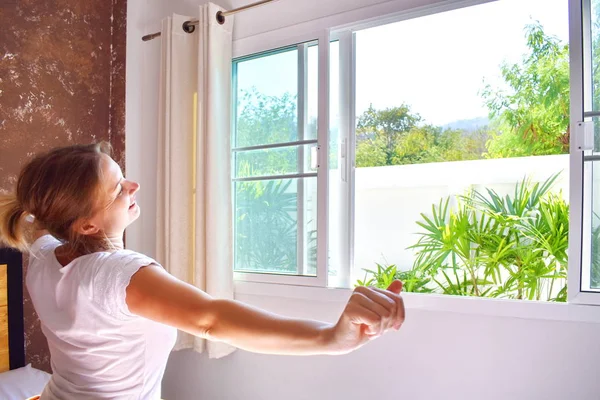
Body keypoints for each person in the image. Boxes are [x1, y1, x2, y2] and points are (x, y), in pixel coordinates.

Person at [0, 142, 405, 399]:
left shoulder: (42, 255)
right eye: (119, 187)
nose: (133, 187)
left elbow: (40, 221)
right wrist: (331, 337)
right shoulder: (115, 274)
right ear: (86, 225)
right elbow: (212, 319)